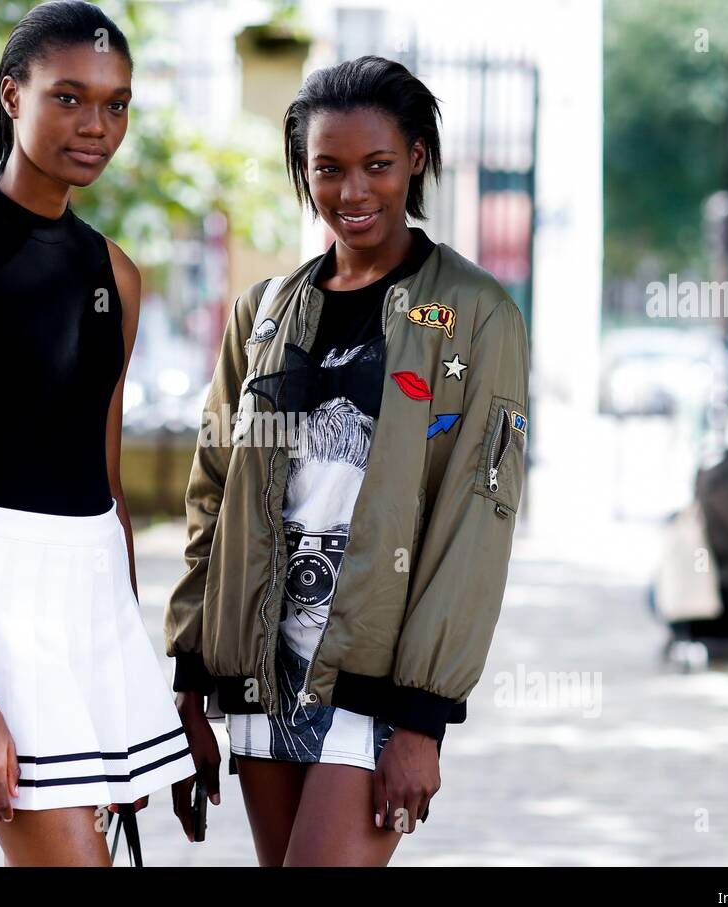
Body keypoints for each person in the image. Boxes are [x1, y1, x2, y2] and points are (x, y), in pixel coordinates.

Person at [165, 55, 530, 865]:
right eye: (328, 169)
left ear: (417, 162)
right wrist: (190, 684)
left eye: (378, 166)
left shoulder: (476, 316)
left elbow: (478, 517)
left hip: (378, 682)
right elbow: (213, 496)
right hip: (261, 668)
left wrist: (424, 716)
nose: (352, 192)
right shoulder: (260, 314)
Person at [0, 1, 194, 866]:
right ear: (12, 96)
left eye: (116, 103)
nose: (97, 125)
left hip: (94, 602)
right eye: (69, 97)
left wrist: (126, 680)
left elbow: (109, 489)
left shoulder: (119, 275)